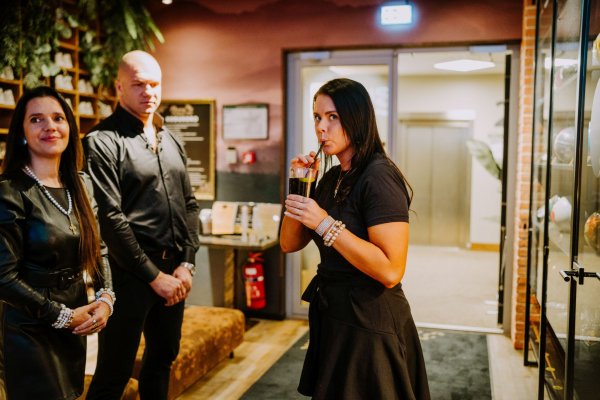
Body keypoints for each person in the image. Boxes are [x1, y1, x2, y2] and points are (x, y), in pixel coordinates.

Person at [280, 78, 430, 399]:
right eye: (317, 117)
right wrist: (299, 184)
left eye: (332, 117)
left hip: (370, 320)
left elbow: (391, 270)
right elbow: (289, 244)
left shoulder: (379, 176)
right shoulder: (332, 177)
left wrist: (325, 224)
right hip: (334, 314)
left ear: (357, 118)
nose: (321, 127)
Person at [83, 50, 200, 399]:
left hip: (175, 270)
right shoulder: (101, 142)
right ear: (119, 87)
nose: (148, 92)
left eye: (154, 84)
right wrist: (154, 276)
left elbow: (189, 205)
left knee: (163, 359)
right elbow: (110, 219)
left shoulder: (171, 139)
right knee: (114, 372)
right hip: (127, 274)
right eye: (138, 84)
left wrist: (187, 264)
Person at [0, 86, 114, 399]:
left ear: (70, 128)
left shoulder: (81, 184)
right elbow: (3, 277)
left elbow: (99, 250)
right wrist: (60, 315)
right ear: (22, 133)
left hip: (76, 318)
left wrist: (106, 297)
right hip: (30, 324)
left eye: (58, 118)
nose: (49, 126)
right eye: (36, 119)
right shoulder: (9, 190)